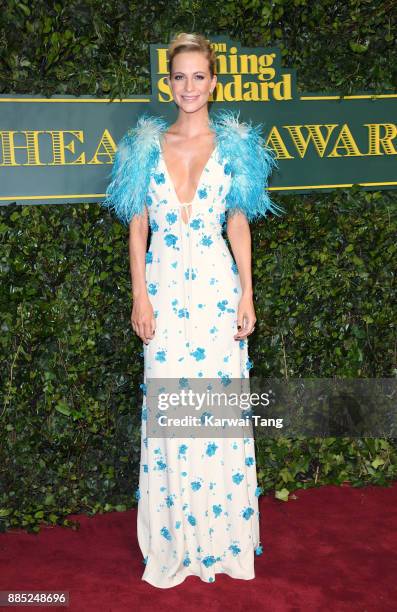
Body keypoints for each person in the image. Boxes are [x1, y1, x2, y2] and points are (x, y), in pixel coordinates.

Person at [102, 32, 285, 588]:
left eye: (198, 77)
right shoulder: (141, 147)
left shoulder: (235, 147)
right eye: (178, 77)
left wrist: (247, 292)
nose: (188, 87)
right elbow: (138, 226)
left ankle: (222, 541)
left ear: (212, 82)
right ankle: (175, 543)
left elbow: (238, 222)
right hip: (162, 292)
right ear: (169, 82)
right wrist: (140, 293)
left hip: (214, 291)